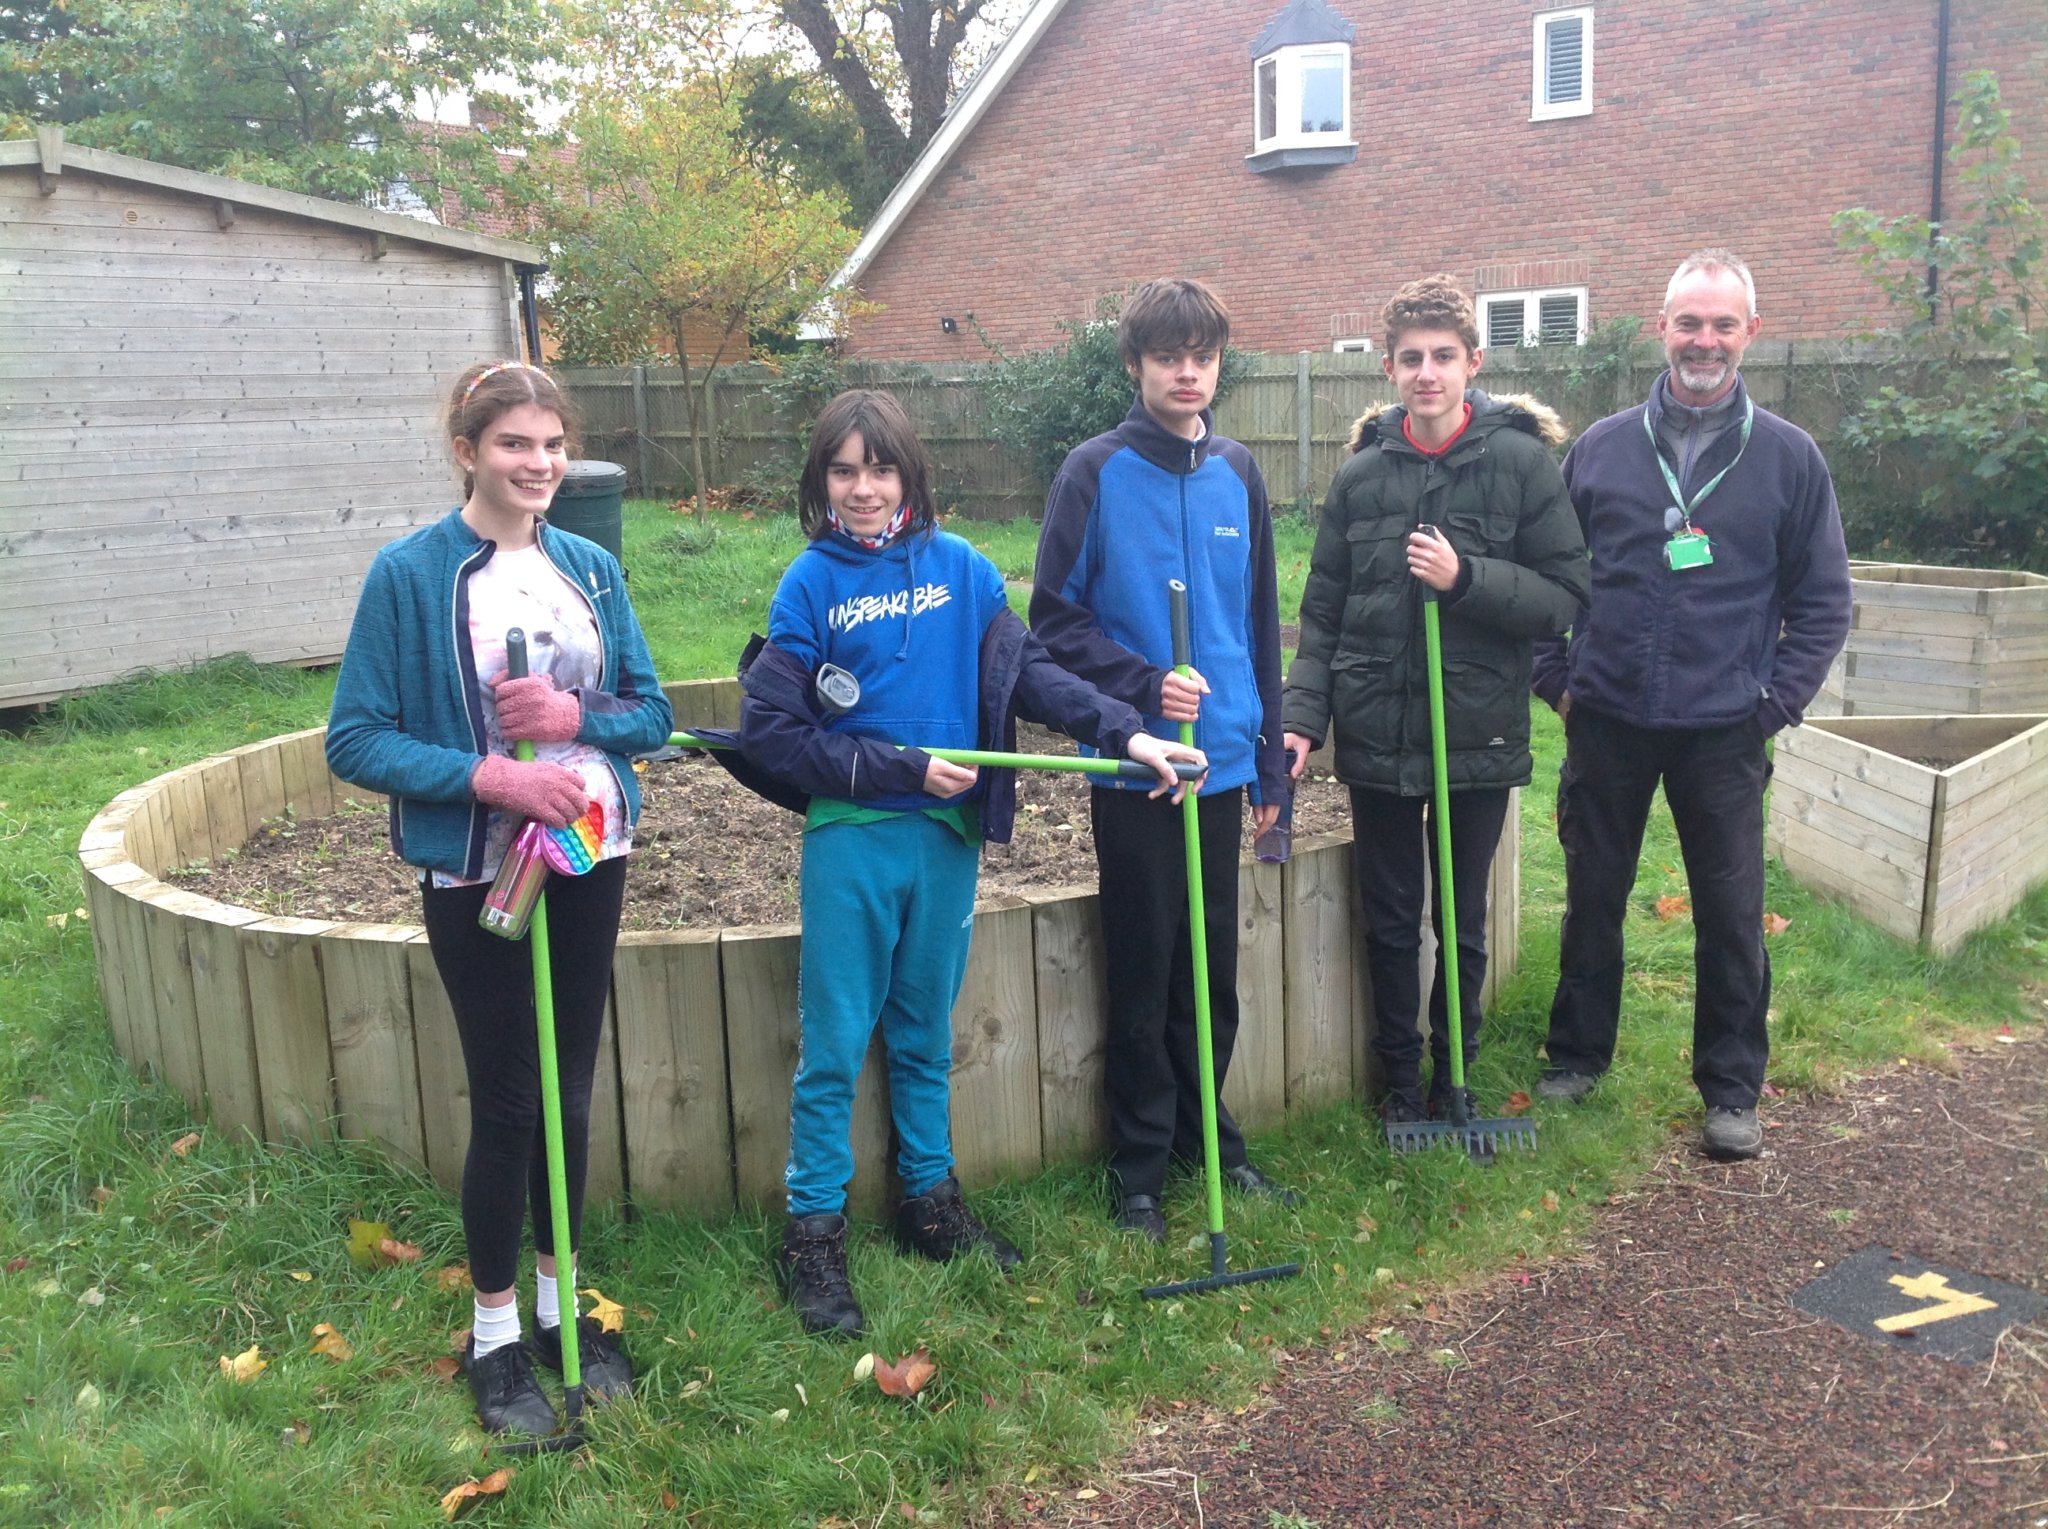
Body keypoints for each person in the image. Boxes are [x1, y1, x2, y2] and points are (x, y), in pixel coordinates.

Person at [738, 389, 1203, 1336]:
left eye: (880, 467)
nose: (863, 489)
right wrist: (895, 765)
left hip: (944, 843)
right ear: (819, 479)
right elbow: (771, 736)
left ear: (911, 471)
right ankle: (813, 1234)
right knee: (832, 1045)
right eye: (843, 469)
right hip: (854, 838)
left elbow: (1031, 675)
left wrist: (1129, 733)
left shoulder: (962, 570)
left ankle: (929, 1204)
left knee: (922, 1034)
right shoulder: (808, 585)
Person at [326, 361, 674, 1435]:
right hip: (479, 862)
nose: (540, 465)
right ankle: (493, 1337)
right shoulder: (412, 574)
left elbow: (652, 712)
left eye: (554, 445)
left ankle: (566, 1311)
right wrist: (492, 774)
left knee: (569, 1089)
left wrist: (574, 715)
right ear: (467, 448)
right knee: (510, 1097)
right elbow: (355, 736)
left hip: (584, 849)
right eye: (516, 444)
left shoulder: (588, 567)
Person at [1530, 249, 1852, 1160]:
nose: (1702, 340)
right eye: (1687, 322)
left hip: (1724, 728)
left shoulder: (1789, 457)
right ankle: (1578, 1053)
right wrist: (1559, 682)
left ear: (1751, 331)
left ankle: (1731, 1086)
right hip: (1609, 716)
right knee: (1593, 894)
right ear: (1660, 327)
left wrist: (1771, 706)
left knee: (1730, 907)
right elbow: (1551, 580)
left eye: (1721, 324)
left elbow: (1824, 600)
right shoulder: (1600, 449)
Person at [1281, 276, 1588, 1128]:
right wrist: (1306, 718)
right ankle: (1401, 1084)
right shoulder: (1362, 478)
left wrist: (1466, 580)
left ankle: (1458, 1078)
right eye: (1411, 358)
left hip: (1476, 734)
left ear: (1473, 363)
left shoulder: (1523, 465)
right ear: (1387, 367)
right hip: (1378, 730)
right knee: (1388, 917)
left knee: (1461, 918)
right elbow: (1324, 610)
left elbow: (1566, 594)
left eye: (1444, 356)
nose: (1427, 372)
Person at [1030, 277, 1297, 1243]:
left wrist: (1271, 765)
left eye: (1203, 355)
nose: (1187, 372)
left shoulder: (1238, 472)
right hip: (1143, 769)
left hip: (1223, 766)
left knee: (1211, 973)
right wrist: (1145, 685)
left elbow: (1260, 622)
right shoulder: (1093, 473)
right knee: (1145, 970)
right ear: (1135, 364)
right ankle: (1138, 1163)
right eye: (1167, 356)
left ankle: (1209, 1141)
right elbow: (1051, 622)